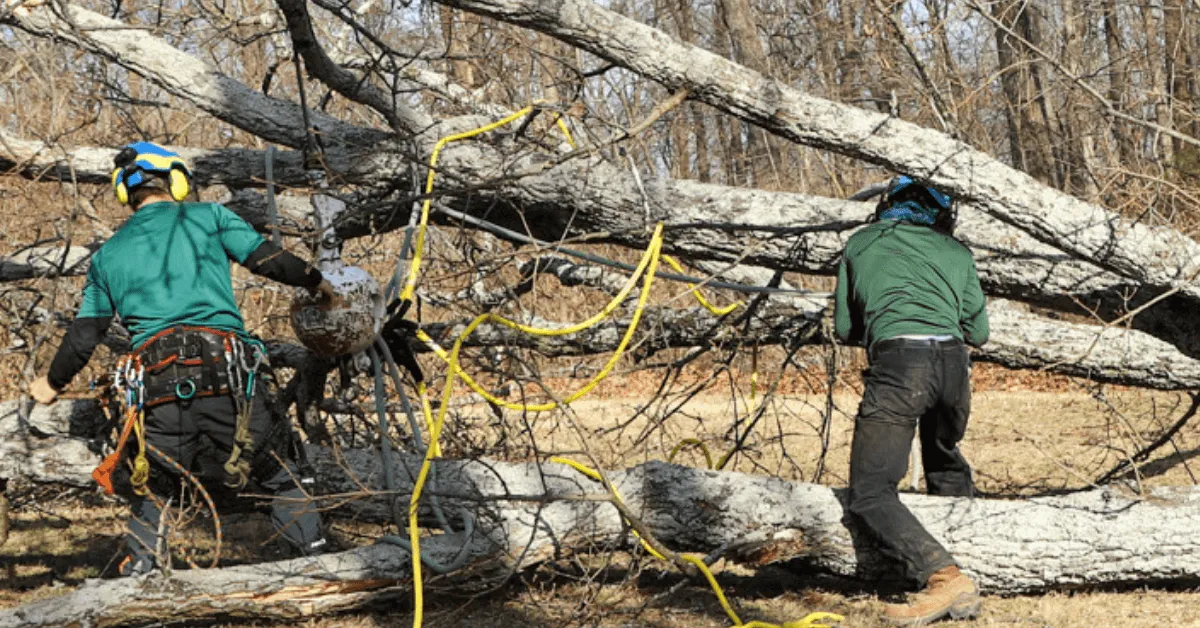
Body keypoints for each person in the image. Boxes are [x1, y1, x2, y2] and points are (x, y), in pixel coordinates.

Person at [29, 141, 339, 576]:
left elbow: (85, 335)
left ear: (125, 193)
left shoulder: (108, 256)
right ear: (175, 180)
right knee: (284, 474)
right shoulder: (209, 217)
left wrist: (51, 384)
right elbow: (266, 260)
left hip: (157, 402)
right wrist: (316, 281)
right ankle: (320, 572)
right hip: (233, 389)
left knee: (151, 487)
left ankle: (141, 576)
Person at [834, 176, 989, 625]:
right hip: (953, 365)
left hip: (901, 363)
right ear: (943, 213)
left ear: (888, 206)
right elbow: (978, 332)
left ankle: (944, 576)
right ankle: (970, 555)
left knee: (870, 491)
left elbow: (845, 328)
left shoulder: (860, 245)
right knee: (944, 460)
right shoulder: (958, 253)